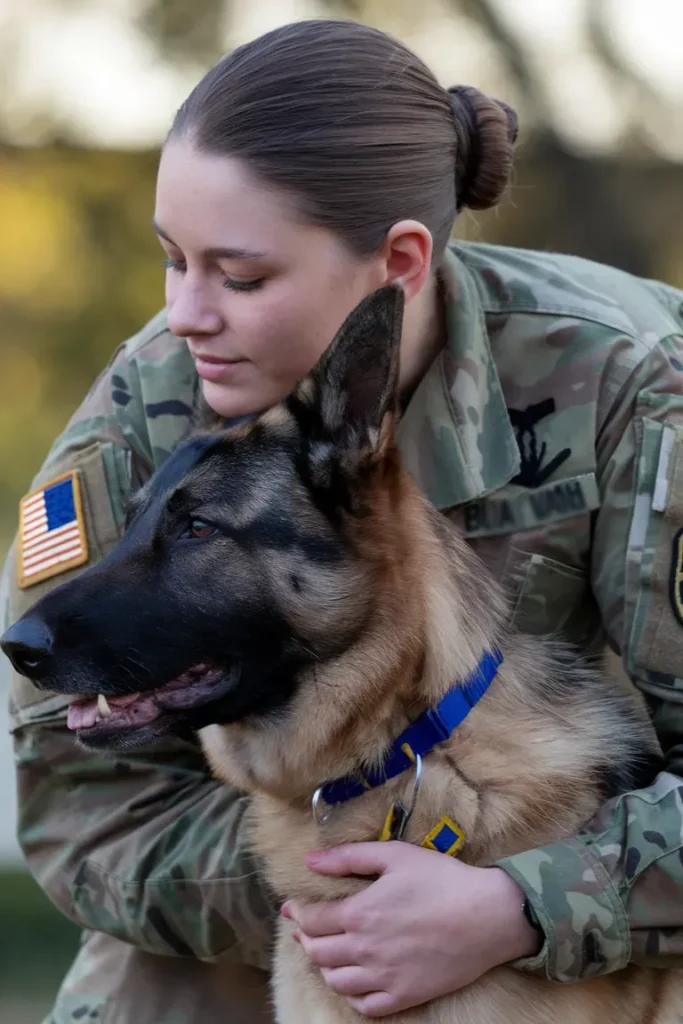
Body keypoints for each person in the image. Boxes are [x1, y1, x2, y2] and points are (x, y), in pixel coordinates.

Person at [5, 16, 683, 1024]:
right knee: (138, 988)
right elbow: (79, 803)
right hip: (276, 881)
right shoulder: (151, 404)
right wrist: (360, 902)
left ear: (399, 261)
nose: (186, 314)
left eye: (238, 276)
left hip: (590, 858)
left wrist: (519, 899)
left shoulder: (632, 386)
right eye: (171, 260)